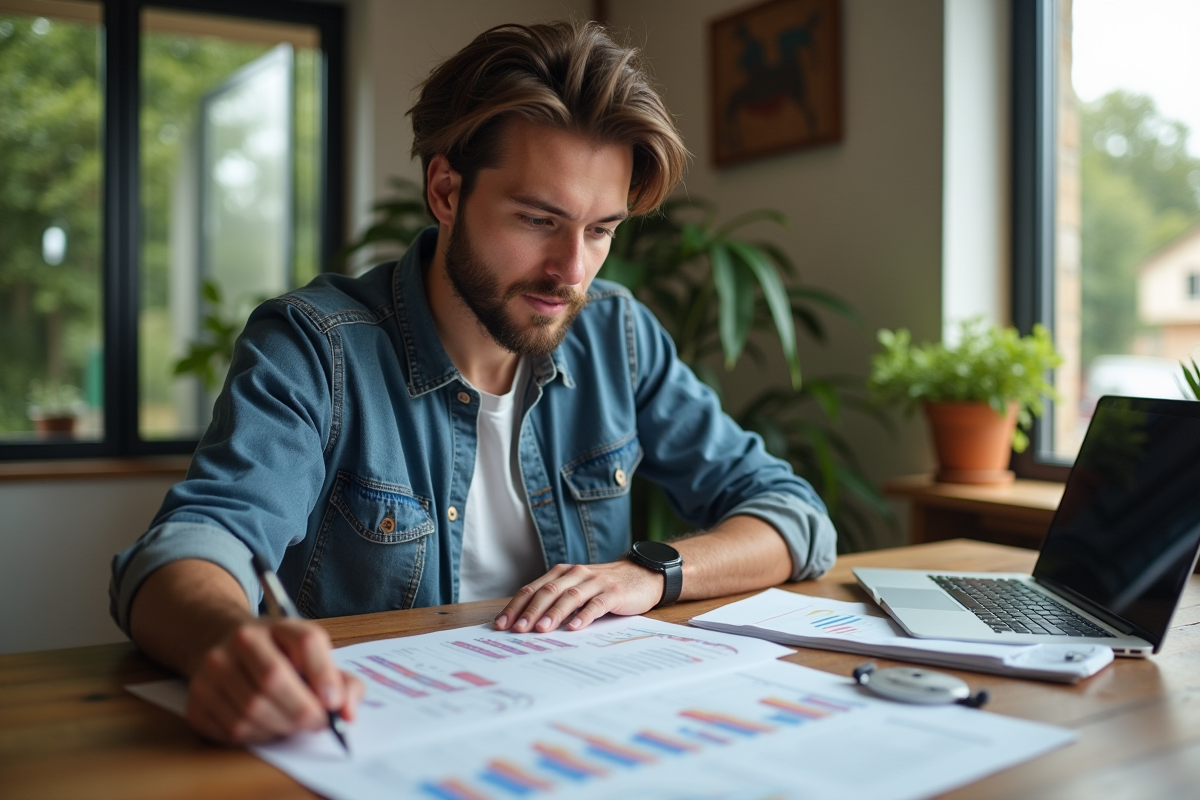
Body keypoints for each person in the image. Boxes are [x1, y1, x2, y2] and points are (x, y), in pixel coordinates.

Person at [109, 20, 837, 745]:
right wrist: (225, 643)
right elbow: (194, 545)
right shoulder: (314, 346)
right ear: (447, 190)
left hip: (576, 736)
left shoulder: (618, 334)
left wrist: (650, 574)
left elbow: (791, 515)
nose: (572, 271)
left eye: (600, 230)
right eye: (538, 220)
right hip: (375, 742)